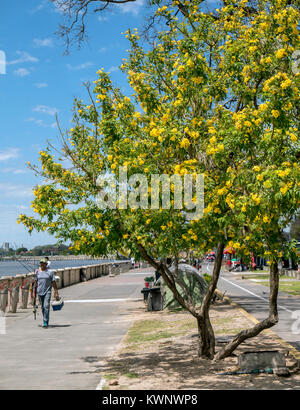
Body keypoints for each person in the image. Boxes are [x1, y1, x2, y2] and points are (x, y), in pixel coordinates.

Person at [33, 258, 60, 328]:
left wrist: (56, 292)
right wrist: (34, 292)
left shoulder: (50, 272)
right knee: (42, 307)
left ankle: (45, 321)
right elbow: (35, 282)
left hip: (47, 291)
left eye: (43, 263)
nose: (41, 264)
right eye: (41, 263)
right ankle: (45, 319)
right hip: (39, 291)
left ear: (46, 264)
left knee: (46, 306)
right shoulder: (37, 272)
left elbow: (53, 282)